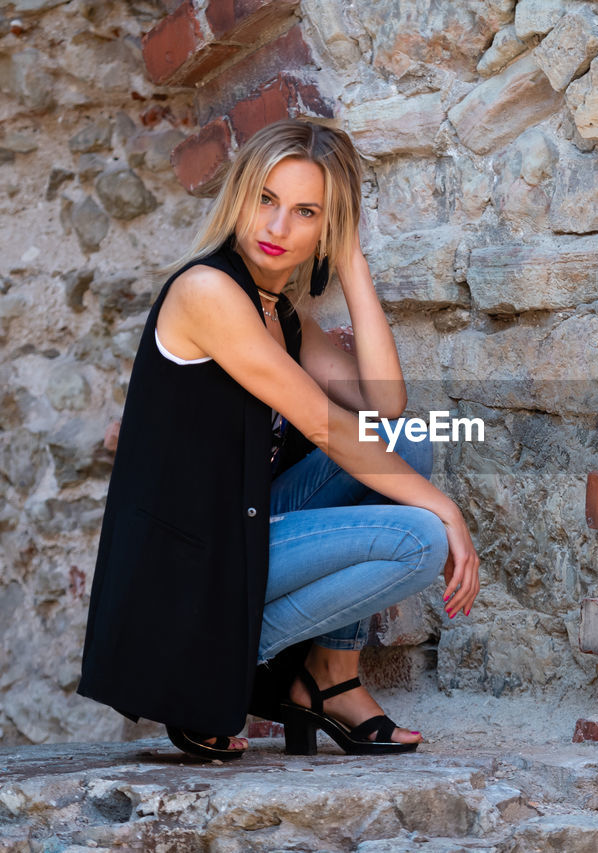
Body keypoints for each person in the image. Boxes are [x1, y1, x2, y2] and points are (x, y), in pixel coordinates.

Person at [77, 119, 480, 761]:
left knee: (404, 441)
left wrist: (350, 261)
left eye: (306, 213)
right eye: (265, 199)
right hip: (194, 572)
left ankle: (327, 679)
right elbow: (328, 428)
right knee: (423, 539)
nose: (276, 227)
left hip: (244, 531)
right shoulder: (207, 291)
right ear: (239, 195)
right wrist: (446, 508)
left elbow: (385, 406)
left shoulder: (282, 315)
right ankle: (216, 657)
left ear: (327, 228)